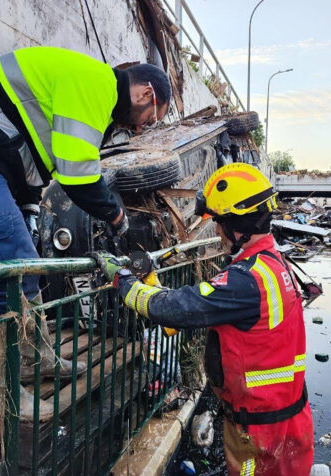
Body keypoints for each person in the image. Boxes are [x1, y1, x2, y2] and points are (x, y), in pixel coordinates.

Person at [0, 46, 172, 419]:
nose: (142, 127)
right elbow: (78, 177)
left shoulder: (87, 88)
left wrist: (30, 209)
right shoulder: (96, 86)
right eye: (151, 117)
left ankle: (33, 361)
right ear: (146, 93)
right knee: (9, 280)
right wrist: (116, 216)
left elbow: (36, 160)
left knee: (25, 268)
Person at [99, 163, 314, 474]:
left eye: (219, 222)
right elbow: (187, 311)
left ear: (239, 226)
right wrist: (149, 278)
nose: (216, 231)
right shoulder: (274, 265)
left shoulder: (246, 280)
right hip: (286, 419)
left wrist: (123, 281)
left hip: (259, 434)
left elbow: (170, 308)